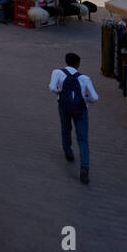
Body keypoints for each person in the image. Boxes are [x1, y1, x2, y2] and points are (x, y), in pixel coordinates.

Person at [49, 52, 99, 184]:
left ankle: (69, 153)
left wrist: (61, 93)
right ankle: (85, 168)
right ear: (78, 64)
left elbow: (52, 88)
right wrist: (85, 99)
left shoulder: (57, 72)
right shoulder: (85, 78)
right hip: (80, 110)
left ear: (66, 62)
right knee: (83, 139)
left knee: (65, 129)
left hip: (64, 107)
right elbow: (95, 97)